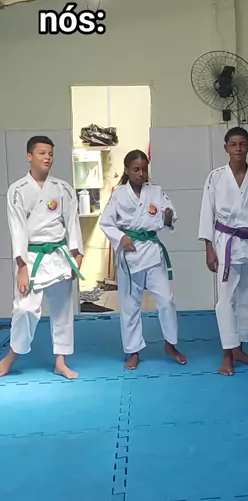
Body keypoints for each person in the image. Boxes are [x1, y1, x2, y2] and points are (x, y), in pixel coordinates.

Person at [0, 136, 84, 380]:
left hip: (59, 255)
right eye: (42, 153)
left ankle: (60, 361)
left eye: (50, 153)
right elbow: (17, 229)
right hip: (31, 257)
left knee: (63, 311)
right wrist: (21, 267)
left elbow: (72, 223)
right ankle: (10, 357)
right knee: (25, 308)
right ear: (29, 156)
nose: (48, 157)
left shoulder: (63, 188)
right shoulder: (17, 190)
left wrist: (77, 255)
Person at [100, 149, 186, 370]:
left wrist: (168, 218)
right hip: (129, 255)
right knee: (130, 305)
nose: (141, 174)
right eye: (136, 169)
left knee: (166, 300)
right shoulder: (119, 195)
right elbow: (106, 222)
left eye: (144, 169)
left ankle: (170, 344)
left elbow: (170, 217)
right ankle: (133, 351)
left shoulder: (156, 191)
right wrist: (122, 238)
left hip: (152, 252)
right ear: (127, 170)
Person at [198, 126, 248, 376]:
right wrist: (208, 247)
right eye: (233, 144)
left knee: (247, 297)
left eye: (242, 144)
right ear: (226, 148)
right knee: (225, 300)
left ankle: (239, 347)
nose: (238, 148)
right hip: (225, 244)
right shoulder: (216, 177)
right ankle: (227, 353)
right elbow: (207, 212)